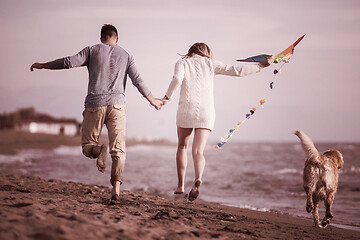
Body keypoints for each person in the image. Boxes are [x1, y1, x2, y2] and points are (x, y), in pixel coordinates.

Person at [30, 24, 164, 201]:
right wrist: (153, 100)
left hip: (95, 104)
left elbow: (69, 62)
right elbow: (137, 80)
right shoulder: (125, 55)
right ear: (116, 39)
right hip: (117, 106)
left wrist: (43, 65)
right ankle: (116, 191)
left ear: (101, 38)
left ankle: (98, 149)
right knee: (119, 151)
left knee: (87, 147)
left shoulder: (92, 50)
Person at [162, 42, 273, 201]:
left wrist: (166, 97)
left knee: (182, 146)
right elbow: (236, 70)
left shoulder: (183, 63)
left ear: (191, 52)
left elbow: (177, 78)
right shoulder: (211, 64)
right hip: (206, 113)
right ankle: (198, 178)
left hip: (186, 110)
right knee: (198, 151)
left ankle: (180, 187)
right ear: (207, 53)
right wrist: (261, 65)